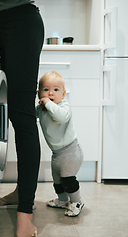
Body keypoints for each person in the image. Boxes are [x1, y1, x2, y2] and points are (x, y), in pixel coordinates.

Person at [0, 0, 44, 236]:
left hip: (21, 21)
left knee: (22, 115)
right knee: (13, 113)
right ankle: (21, 193)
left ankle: (25, 213)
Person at [36, 71, 84, 217]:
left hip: (70, 151)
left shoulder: (64, 107)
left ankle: (77, 201)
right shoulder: (42, 109)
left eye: (56, 90)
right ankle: (63, 200)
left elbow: (60, 117)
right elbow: (32, 114)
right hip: (56, 153)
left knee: (68, 180)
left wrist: (48, 103)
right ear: (38, 93)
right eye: (46, 90)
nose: (50, 93)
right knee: (57, 181)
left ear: (63, 94)